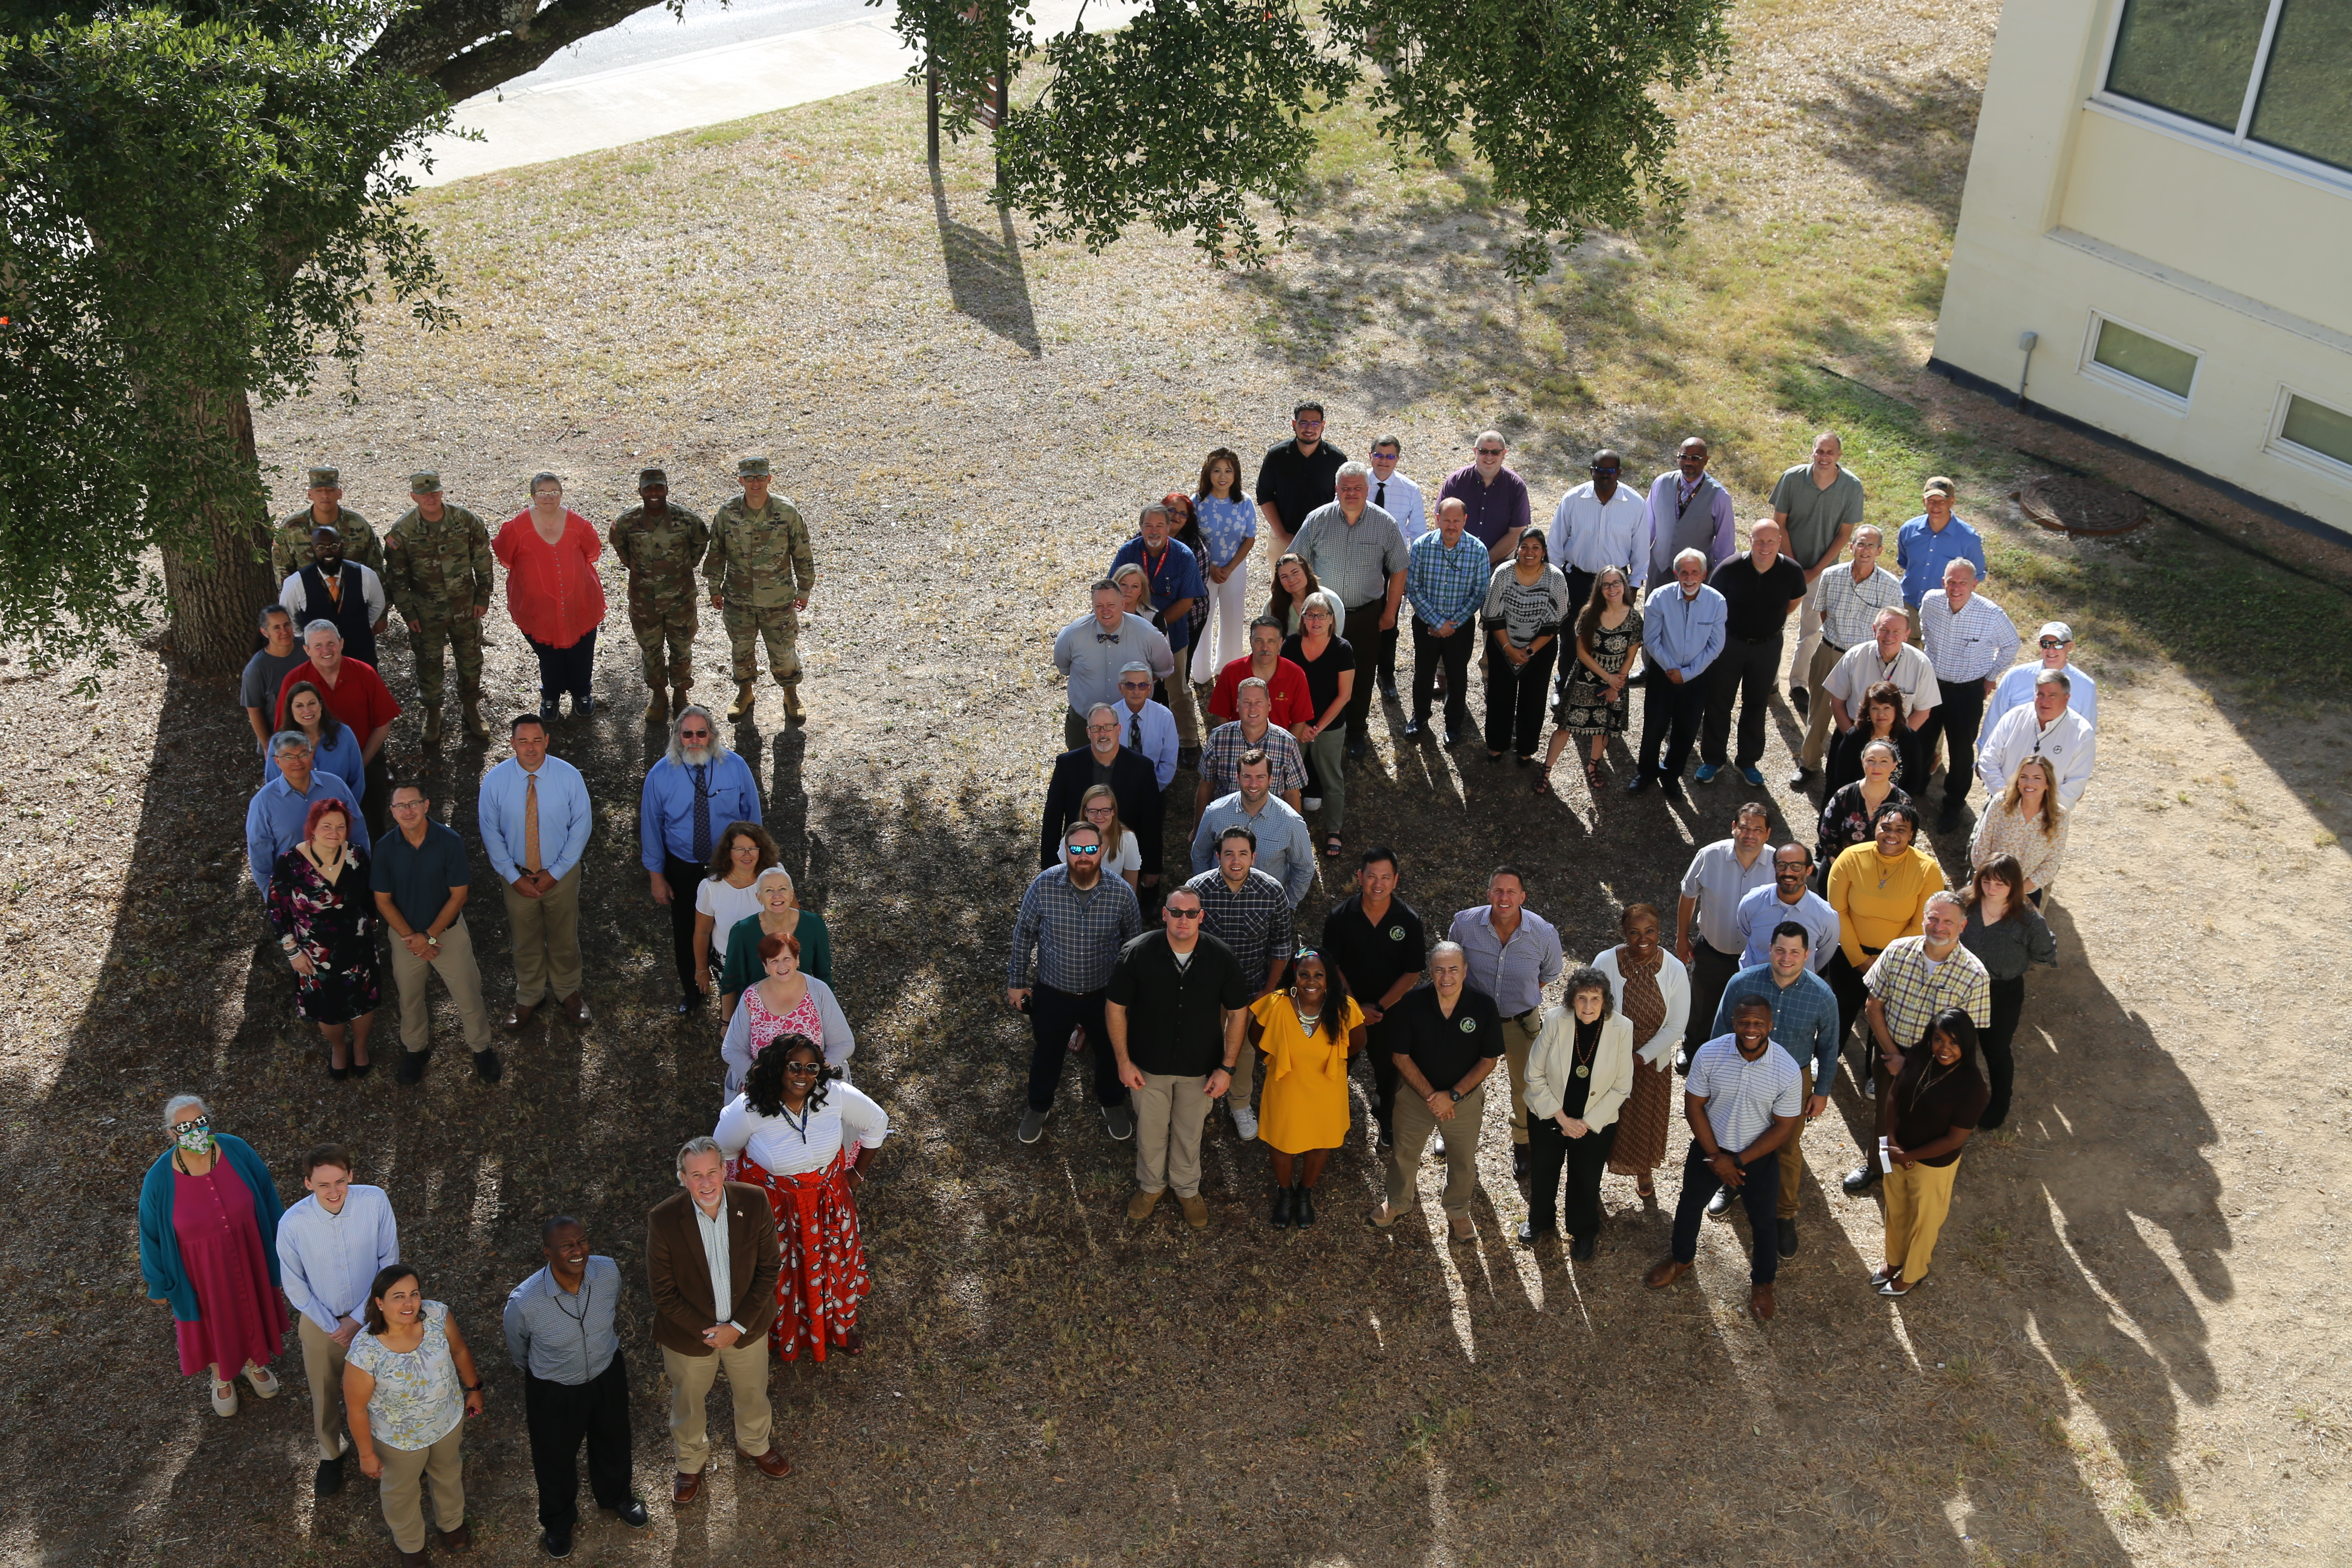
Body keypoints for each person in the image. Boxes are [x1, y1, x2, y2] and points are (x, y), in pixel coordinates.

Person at [715, 1036, 888, 1359]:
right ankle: (781, 1333)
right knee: (780, 1273)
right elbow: (724, 1152)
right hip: (776, 1210)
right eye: (795, 1066)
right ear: (777, 1066)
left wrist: (857, 1174)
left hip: (829, 1203)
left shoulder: (833, 1095)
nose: (803, 1075)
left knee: (833, 1267)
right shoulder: (750, 1108)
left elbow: (877, 1122)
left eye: (811, 1068)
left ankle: (840, 1327)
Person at [646, 1137, 787, 1505]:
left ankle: (755, 1444)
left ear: (725, 1171)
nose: (706, 1183)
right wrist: (709, 1332)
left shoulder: (754, 1202)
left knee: (753, 1391)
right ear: (682, 1178)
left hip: (748, 1328)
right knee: (688, 1401)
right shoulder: (663, 1219)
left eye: (712, 1172)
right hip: (690, 1338)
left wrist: (736, 1327)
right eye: (696, 1175)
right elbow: (663, 1292)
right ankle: (690, 1464)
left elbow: (770, 1268)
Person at [1643, 996, 1804, 1319]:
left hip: (1757, 1157)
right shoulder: (1710, 1053)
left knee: (1763, 1222)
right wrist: (1717, 1157)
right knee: (1689, 1206)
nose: (1751, 1029)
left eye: (1759, 1023)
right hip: (1709, 1150)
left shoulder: (1787, 1069)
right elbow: (1694, 1107)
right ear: (1734, 1023)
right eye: (1745, 1022)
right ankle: (1681, 1258)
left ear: (1771, 1026)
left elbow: (1784, 1128)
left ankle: (1763, 1283)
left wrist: (1739, 1162)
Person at [1106, 888, 1252, 1231]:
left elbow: (1238, 1013)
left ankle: (1187, 1190)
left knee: (1190, 1133)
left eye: (1191, 913)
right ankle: (1151, 1187)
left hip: (1199, 1068)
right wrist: (1124, 1062)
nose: (1183, 919)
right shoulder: (1137, 953)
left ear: (1202, 917)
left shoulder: (1221, 958)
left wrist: (1227, 1067)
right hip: (1147, 1065)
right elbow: (1115, 1009)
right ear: (1165, 915)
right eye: (1176, 912)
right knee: (1151, 1132)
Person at [504, 1217, 649, 1556]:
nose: (577, 1250)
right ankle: (558, 1522)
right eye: (567, 1245)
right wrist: (544, 1372)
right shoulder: (524, 1302)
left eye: (582, 1241)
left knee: (614, 1440)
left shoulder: (608, 1272)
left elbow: (611, 1309)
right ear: (547, 1252)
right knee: (553, 1457)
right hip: (553, 1389)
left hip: (606, 1373)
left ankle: (617, 1496)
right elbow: (518, 1347)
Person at [139, 1096, 287, 1418]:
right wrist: (157, 1283)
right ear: (171, 1134)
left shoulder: (236, 1149)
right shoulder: (158, 1178)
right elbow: (149, 1233)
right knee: (212, 1318)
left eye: (200, 1123)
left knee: (250, 1304)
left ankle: (253, 1362)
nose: (195, 1131)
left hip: (249, 1251)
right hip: (197, 1269)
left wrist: (286, 1244)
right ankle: (222, 1375)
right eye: (185, 1127)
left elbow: (267, 1195)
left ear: (208, 1121)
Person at [1842, 890, 1990, 1194]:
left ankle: (1913, 1173)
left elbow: (1966, 1038)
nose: (1939, 926)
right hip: (1889, 1051)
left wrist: (1911, 1067)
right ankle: (1879, 1168)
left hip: (1941, 1064)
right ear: (1923, 919)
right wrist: (1895, 1056)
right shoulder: (1897, 951)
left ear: (1962, 926)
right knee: (1886, 1117)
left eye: (1948, 921)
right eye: (1933, 918)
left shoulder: (1975, 975)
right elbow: (1873, 1006)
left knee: (1927, 1121)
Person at [1008, 822, 1145, 1144]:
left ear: (1102, 851)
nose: (1083, 857)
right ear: (1066, 851)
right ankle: (1039, 1107)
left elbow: (1134, 945)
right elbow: (1023, 935)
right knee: (1047, 1053)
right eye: (1076, 849)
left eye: (1091, 849)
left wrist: (1133, 993)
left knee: (1111, 1052)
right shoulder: (1044, 886)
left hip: (1105, 995)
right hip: (1053, 993)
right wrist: (1017, 982)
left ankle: (1112, 1103)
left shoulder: (1121, 892)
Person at [276, 1145, 400, 1497]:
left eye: (340, 1182)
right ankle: (331, 1454)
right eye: (323, 1185)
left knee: (384, 1384)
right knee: (325, 1392)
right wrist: (334, 1326)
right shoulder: (293, 1224)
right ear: (308, 1184)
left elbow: (388, 1261)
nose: (333, 1192)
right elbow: (295, 1286)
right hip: (321, 1322)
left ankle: (389, 1448)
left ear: (351, 1177)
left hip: (375, 1314)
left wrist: (359, 1319)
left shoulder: (374, 1202)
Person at [1712, 924, 1841, 1254]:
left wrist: (1822, 1090)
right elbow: (1719, 1033)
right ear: (1770, 949)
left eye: (1795, 952)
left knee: (1786, 1148)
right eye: (1781, 950)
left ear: (1807, 955)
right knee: (1736, 1135)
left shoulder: (1822, 995)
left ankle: (1784, 1215)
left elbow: (1828, 1046)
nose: (1787, 958)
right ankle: (1732, 1187)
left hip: (1793, 1080)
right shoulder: (1742, 983)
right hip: (1743, 1071)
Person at [344, 1264, 486, 1560]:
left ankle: (451, 1524)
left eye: (414, 1294)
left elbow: (459, 1350)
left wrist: (474, 1388)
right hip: (399, 1440)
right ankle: (411, 1545)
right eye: (398, 1297)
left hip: (447, 1421)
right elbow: (356, 1409)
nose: (409, 1304)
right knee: (401, 1491)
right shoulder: (365, 1351)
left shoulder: (436, 1315)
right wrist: (367, 1455)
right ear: (379, 1303)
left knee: (448, 1472)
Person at [1369, 942, 1501, 1241]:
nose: (1447, 976)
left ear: (1465, 971)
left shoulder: (1483, 1006)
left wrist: (1453, 1096)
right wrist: (1434, 1097)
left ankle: (1458, 1210)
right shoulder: (1411, 1004)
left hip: (1464, 1101)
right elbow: (1400, 1057)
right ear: (1431, 972)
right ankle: (1397, 1203)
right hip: (1416, 1099)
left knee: (1463, 1159)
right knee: (1404, 1153)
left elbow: (1489, 1059)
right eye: (1440, 969)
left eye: (1454, 969)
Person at [372, 780, 498, 1085]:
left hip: (448, 934)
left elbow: (459, 895)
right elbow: (382, 900)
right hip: (405, 938)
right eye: (400, 806)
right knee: (410, 998)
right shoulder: (385, 848)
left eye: (414, 803)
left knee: (468, 994)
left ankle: (482, 1049)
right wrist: (413, 940)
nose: (408, 810)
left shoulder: (449, 841)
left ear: (426, 805)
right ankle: (417, 1050)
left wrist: (429, 936)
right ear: (392, 811)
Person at [642, 706, 766, 1013]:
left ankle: (744, 991)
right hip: (683, 866)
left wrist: (755, 864)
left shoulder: (736, 767)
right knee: (687, 932)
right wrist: (657, 877)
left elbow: (753, 818)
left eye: (701, 733)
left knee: (735, 927)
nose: (694, 740)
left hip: (729, 865)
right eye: (687, 734)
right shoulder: (659, 775)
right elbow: (651, 827)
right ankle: (693, 992)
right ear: (677, 736)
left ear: (712, 735)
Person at [479, 713, 594, 1031]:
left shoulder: (568, 777)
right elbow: (490, 832)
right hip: (515, 876)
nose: (530, 748)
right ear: (513, 743)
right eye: (523, 741)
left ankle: (568, 991)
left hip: (561, 874)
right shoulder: (496, 781)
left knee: (564, 936)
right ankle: (529, 995)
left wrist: (555, 873)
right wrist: (513, 877)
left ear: (547, 741)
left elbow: (581, 827)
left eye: (536, 740)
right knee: (524, 939)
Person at [1824, 802, 1946, 1096]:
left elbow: (1924, 921)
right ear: (1874, 828)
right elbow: (1836, 911)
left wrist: (1886, 960)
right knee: (1840, 1009)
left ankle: (1875, 1073)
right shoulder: (1850, 857)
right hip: (1850, 954)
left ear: (1912, 834)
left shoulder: (1927, 869)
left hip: (1900, 960)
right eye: (1886, 827)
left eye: (1901, 830)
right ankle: (1826, 1061)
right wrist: (1860, 959)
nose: (1892, 835)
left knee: (1887, 1019)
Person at [1449, 867, 1563, 1179]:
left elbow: (1551, 973)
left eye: (1511, 892)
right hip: (1473, 1020)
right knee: (1459, 1074)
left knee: (1526, 1086)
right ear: (1488, 895)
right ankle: (1450, 1130)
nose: (1504, 897)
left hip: (1520, 1022)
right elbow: (1453, 965)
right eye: (1498, 891)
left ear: (1522, 897)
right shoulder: (1464, 925)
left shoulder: (1542, 933)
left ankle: (1523, 1144)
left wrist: (1524, 994)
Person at [1291, 461, 1408, 756]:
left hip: (1366, 614)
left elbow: (1399, 570)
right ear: (1336, 490)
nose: (1352, 493)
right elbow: (1295, 563)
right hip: (1322, 615)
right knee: (1318, 671)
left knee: (1363, 672)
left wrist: (1390, 613)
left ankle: (1357, 729)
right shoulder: (1317, 520)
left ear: (1368, 490)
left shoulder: (1385, 524)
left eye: (1358, 488)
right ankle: (1315, 726)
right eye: (1346, 488)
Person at [1186, 826, 1295, 1140]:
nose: (1236, 861)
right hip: (1204, 992)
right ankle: (1203, 1099)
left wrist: (1267, 991)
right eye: (1229, 854)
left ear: (1254, 857)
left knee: (1244, 1051)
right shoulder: (1198, 891)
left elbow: (1281, 947)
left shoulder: (1272, 891)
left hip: (1250, 991)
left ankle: (1240, 1103)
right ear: (1218, 856)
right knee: (1203, 1044)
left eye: (1243, 854)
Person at [1519, 966, 1635, 1258]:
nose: (1588, 1006)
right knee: (1544, 1170)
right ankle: (1539, 1221)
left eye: (1595, 999)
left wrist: (1585, 1124)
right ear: (1572, 1000)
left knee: (1586, 1177)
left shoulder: (1622, 1028)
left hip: (1595, 1122)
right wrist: (1562, 1118)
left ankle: (1583, 1231)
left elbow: (1622, 1087)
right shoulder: (1556, 1020)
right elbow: (1534, 1074)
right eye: (1582, 998)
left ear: (1605, 1001)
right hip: (1549, 1115)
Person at [267, 797, 384, 1080]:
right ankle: (338, 1048)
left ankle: (360, 1046)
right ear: (313, 828)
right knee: (327, 1008)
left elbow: (370, 897)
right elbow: (276, 909)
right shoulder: (290, 862)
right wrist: (293, 953)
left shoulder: (356, 855)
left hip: (358, 948)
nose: (334, 832)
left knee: (363, 1002)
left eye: (341, 826)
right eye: (327, 826)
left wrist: (375, 921)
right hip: (314, 954)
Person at [1874, 1007, 1989, 1296]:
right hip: (1896, 1148)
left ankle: (1912, 1274)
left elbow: (1954, 1140)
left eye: (1953, 1042)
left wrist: (1909, 1157)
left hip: (1933, 1164)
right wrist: (1892, 1140)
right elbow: (1894, 1096)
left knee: (1925, 1221)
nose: (1944, 1049)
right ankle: (1894, 1261)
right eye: (1939, 1040)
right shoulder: (1918, 1054)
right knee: (1896, 1209)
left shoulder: (1973, 1087)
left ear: (1967, 1044)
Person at [1319, 847, 1427, 1147]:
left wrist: (1378, 1008)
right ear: (1359, 877)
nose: (1377, 884)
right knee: (1338, 1069)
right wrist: (1355, 1009)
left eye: (1385, 877)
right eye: (1371, 876)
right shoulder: (1340, 918)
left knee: (1388, 1074)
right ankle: (1331, 1121)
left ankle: (1386, 1121)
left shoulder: (1408, 921)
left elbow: (1411, 974)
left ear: (1396, 880)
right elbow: (1332, 967)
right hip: (1344, 1011)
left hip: (1389, 1014)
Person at [1246, 951, 1363, 1226]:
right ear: (1294, 976)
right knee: (1282, 1143)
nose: (1311, 981)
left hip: (1327, 1089)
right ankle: (1285, 1194)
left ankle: (1305, 1194)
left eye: (1319, 975)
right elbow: (1256, 1037)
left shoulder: (1344, 1008)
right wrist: (1273, 1062)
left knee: (1320, 1143)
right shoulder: (1276, 1004)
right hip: (1286, 1087)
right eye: (1304, 974)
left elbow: (1357, 1043)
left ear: (1328, 978)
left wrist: (1336, 1064)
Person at [382, 471, 496, 747]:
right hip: (425, 613)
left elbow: (482, 559)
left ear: (442, 493)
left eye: (434, 492)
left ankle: (471, 707)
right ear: (414, 497)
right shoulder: (403, 532)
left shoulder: (466, 521)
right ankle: (433, 713)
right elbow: (397, 578)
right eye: (423, 494)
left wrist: (483, 597)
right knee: (429, 663)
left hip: (465, 607)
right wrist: (408, 613)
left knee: (470, 659)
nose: (430, 497)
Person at [706, 455, 817, 725]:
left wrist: (804, 589)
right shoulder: (728, 512)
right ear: (741, 480)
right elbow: (717, 550)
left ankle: (791, 694)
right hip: (738, 598)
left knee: (783, 651)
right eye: (749, 478)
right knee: (741, 650)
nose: (755, 483)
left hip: (777, 598)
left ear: (769, 478)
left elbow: (802, 551)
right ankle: (745, 693)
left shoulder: (787, 511)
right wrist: (714, 587)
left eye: (760, 477)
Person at [1793, 524, 1906, 786]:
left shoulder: (1890, 585)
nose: (1865, 550)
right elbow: (1822, 613)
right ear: (1851, 546)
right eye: (1860, 543)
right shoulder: (1831, 575)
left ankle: (1858, 768)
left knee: (1862, 715)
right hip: (1830, 651)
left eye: (1871, 545)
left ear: (1880, 551)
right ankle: (1808, 764)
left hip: (1867, 660)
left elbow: (1892, 626)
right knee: (1818, 711)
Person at [1698, 521, 1806, 786]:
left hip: (1767, 647)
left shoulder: (1791, 571)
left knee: (1756, 705)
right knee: (1718, 702)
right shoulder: (1730, 567)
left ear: (1780, 542)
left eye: (1771, 541)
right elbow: (1712, 602)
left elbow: (1792, 603)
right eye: (1760, 541)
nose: (1765, 547)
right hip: (1730, 644)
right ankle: (1713, 759)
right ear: (1750, 540)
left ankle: (1747, 762)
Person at [1593, 905, 1690, 1200]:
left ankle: (1643, 1169)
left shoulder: (1674, 968)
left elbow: (1676, 1025)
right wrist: (1615, 1055)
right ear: (1625, 934)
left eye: (1650, 932)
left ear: (1659, 931)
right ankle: (1592, 1175)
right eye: (1634, 933)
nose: (1643, 939)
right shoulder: (1605, 962)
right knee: (1604, 1118)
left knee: (1644, 1120)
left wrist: (1639, 1057)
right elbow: (1591, 1007)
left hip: (1652, 1060)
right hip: (1608, 1055)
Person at [1917, 559, 2021, 830]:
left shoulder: (1991, 615)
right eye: (1951, 581)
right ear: (1943, 582)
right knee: (1922, 740)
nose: (1956, 587)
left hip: (1967, 691)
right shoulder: (1931, 601)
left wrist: (1991, 676)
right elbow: (1925, 630)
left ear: (1975, 585)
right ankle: (1915, 789)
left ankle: (1953, 804)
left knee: (1961, 752)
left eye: (1963, 582)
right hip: (1932, 685)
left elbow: (2011, 645)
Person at [495, 471, 608, 722]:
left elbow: (592, 551)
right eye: (543, 493)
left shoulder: (578, 524)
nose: (549, 498)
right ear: (533, 496)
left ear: (561, 495)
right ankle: (551, 697)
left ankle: (582, 693)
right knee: (550, 657)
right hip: (539, 609)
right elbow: (504, 554)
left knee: (582, 652)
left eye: (554, 492)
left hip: (580, 603)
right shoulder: (518, 527)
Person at [1958, 854, 2058, 1129]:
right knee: (1956, 1045)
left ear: (2014, 885)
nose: (1992, 889)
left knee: (1996, 1049)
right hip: (1962, 987)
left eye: (2000, 884)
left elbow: (2045, 953)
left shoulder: (2028, 919)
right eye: (1987, 881)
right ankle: (1958, 1097)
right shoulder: (1965, 902)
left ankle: (2000, 1102)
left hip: (2003, 993)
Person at [1769, 432, 1865, 717]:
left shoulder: (1851, 487)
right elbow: (1779, 524)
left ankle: (1798, 683)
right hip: (1786, 565)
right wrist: (1795, 566)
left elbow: (1845, 535)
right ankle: (1770, 681)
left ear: (1839, 456)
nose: (1824, 457)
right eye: (1819, 451)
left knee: (1812, 631)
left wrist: (1816, 570)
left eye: (1830, 452)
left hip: (1824, 572)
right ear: (1812, 452)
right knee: (1775, 623)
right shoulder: (1792, 478)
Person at [1674, 803, 1776, 1069]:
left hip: (1756, 959)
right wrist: (1682, 938)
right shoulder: (1710, 855)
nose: (1750, 834)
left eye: (1757, 829)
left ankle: (1737, 1057)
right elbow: (1688, 896)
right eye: (1744, 827)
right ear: (1734, 828)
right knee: (1702, 1003)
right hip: (1712, 950)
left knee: (1749, 1009)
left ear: (1768, 834)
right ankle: (1692, 1047)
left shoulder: (1779, 864)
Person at [275, 620, 401, 833]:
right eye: (318, 646)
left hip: (365, 759)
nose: (326, 650)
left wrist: (359, 765)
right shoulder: (294, 680)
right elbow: (284, 732)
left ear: (341, 644)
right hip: (311, 769)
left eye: (331, 643)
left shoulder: (365, 673)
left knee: (371, 827)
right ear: (306, 650)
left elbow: (382, 725)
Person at [608, 466, 711, 724]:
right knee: (651, 650)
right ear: (640, 491)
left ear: (666, 489)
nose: (654, 493)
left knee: (682, 648)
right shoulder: (626, 522)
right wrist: (638, 568)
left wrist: (685, 567)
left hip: (681, 599)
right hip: (645, 601)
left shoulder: (686, 520)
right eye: (648, 488)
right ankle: (658, 695)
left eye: (659, 487)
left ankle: (680, 694)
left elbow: (700, 544)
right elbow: (620, 546)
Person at [1111, 501, 1208, 752]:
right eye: (1148, 526)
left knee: (1178, 691)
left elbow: (1188, 600)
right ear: (1141, 527)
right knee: (1129, 687)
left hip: (1172, 633)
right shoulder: (1128, 553)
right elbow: (1112, 590)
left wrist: (1156, 625)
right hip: (1128, 635)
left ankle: (1188, 744)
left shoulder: (1183, 555)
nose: (1154, 531)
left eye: (1160, 526)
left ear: (1169, 527)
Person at [1629, 548, 1726, 796]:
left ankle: (1672, 775)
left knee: (1686, 730)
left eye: (1695, 572)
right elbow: (1651, 639)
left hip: (1697, 677)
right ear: (1676, 574)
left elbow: (1716, 646)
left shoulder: (1717, 602)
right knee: (1655, 727)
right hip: (1663, 674)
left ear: (1704, 574)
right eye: (1684, 572)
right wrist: (1672, 669)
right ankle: (1647, 772)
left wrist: (1689, 673)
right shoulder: (1659, 598)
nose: (1690, 577)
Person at [1541, 564, 1642, 793]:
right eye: (1606, 584)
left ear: (1624, 586)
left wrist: (1618, 683)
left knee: (1603, 728)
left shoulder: (1635, 618)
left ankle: (1593, 766)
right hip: (1585, 678)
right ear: (1599, 589)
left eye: (1617, 582)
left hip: (1617, 681)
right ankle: (1546, 771)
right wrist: (1608, 678)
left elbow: (1631, 655)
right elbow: (1581, 653)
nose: (1612, 588)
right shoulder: (1589, 613)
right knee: (1565, 727)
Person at [1041, 703, 1165, 889]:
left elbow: (1152, 821)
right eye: (1096, 728)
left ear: (1119, 729)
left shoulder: (1142, 768)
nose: (1103, 733)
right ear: (1088, 732)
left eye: (1108, 727)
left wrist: (1152, 866)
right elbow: (1053, 817)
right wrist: (1049, 866)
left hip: (1123, 861)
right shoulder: (1067, 765)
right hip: (1076, 858)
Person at [720, 931, 854, 1094]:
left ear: (797, 960)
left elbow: (843, 1044)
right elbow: (732, 1049)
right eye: (774, 961)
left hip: (815, 1088)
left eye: (787, 959)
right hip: (765, 1093)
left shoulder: (819, 991)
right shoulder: (751, 997)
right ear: (765, 966)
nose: (782, 966)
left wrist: (814, 1076)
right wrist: (758, 1081)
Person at [1480, 528, 1572, 765]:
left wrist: (1530, 650)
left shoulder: (1555, 577)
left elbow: (1556, 621)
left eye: (1536, 548)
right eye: (1525, 547)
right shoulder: (1503, 573)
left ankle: (1526, 750)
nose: (1529, 552)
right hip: (1502, 646)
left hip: (1541, 649)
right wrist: (1510, 648)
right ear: (1518, 549)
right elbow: (1493, 614)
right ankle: (1496, 746)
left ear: (1543, 552)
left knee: (1533, 700)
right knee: (1500, 697)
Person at [1055, 579, 1174, 751]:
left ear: (1123, 603)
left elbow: (1163, 670)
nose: (1106, 611)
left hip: (1133, 724)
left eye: (1111, 604)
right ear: (1093, 606)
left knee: (1132, 775)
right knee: (1080, 775)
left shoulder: (1149, 635)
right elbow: (1064, 668)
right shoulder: (1071, 635)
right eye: (1099, 606)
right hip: (1084, 724)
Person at [1403, 498, 1486, 744]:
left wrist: (1453, 624)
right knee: (1424, 672)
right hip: (1426, 624)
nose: (1452, 525)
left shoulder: (1478, 550)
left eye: (1457, 520)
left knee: (1458, 675)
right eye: (1446, 520)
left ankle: (1453, 724)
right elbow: (1414, 588)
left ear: (1465, 521)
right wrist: (1437, 622)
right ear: (1437, 519)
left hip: (1460, 627)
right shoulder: (1421, 546)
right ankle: (1420, 717)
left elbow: (1479, 593)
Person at [246, 732, 369, 896]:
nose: (297, 762)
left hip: (343, 883)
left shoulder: (335, 785)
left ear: (312, 755)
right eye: (289, 757)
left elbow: (358, 830)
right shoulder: (264, 801)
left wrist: (364, 873)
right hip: (294, 891)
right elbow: (259, 852)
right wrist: (272, 894)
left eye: (303, 754)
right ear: (277, 761)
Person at [1190, 750, 1317, 905]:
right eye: (1247, 777)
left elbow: (1304, 869)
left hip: (1267, 905)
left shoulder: (1291, 822)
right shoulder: (1215, 813)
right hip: (1219, 902)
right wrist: (1206, 894)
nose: (1253, 784)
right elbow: (1200, 854)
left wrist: (1288, 905)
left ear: (1271, 779)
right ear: (1238, 778)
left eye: (1260, 778)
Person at [1281, 596, 1356, 853]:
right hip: (1294, 725)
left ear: (1331, 619)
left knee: (1331, 777)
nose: (1316, 620)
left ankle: (1334, 829)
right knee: (1286, 776)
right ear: (1302, 619)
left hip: (1328, 727)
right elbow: (1283, 686)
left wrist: (1316, 728)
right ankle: (1287, 827)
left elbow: (1344, 695)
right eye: (1310, 615)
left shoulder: (1342, 649)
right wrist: (1299, 726)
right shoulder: (1290, 645)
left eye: (1321, 615)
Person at [1822, 607, 1941, 761]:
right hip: (1854, 735)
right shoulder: (1855, 656)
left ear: (1907, 635)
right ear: (1874, 630)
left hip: (1898, 742)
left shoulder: (1921, 664)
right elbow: (1837, 703)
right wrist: (1853, 738)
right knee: (1840, 784)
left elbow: (1923, 712)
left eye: (1897, 631)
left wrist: (1892, 745)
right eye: (1884, 630)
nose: (1889, 636)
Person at [1975, 668, 2098, 812]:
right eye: (2041, 694)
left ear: (2067, 699)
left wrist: (2036, 811)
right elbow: (1989, 759)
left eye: (2052, 696)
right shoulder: (2014, 717)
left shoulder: (2082, 733)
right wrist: (2006, 797)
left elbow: (2075, 784)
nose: (2045, 701)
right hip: (2002, 806)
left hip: (2047, 816)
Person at [1188, 447, 1261, 683]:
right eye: (1217, 470)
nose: (1222, 476)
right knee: (1203, 619)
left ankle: (1228, 670)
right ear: (1208, 473)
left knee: (1233, 619)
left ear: (1235, 474)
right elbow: (1190, 538)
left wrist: (1229, 568)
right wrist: (1211, 568)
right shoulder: (1197, 502)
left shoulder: (1245, 502)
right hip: (1203, 570)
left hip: (1235, 569)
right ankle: (1200, 673)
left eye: (1228, 471)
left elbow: (1250, 537)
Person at [720, 867, 834, 1015]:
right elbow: (730, 982)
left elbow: (824, 976)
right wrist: (727, 1023)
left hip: (805, 1014)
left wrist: (827, 1017)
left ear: (792, 894)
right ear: (758, 897)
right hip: (756, 1016)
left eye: (782, 889)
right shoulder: (742, 932)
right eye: (769, 891)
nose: (777, 896)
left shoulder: (814, 925)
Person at [276, 524, 387, 675]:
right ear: (313, 550)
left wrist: (360, 626)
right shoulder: (296, 584)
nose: (328, 552)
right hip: (320, 661)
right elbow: (290, 618)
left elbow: (378, 605)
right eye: (321, 547)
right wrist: (308, 638)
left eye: (334, 546)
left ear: (342, 547)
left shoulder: (366, 576)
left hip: (361, 655)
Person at [1365, 436, 1429, 696]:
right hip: (1360, 562)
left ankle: (1387, 676)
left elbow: (1418, 535)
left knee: (1388, 622)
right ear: (1370, 455)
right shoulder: (1357, 482)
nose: (1384, 461)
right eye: (1379, 455)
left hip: (1391, 565)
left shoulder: (1410, 489)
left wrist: (1407, 575)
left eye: (1390, 456)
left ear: (1398, 459)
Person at [692, 822, 782, 1006]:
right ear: (728, 852)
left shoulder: (776, 875)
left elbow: (794, 916)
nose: (747, 855)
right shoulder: (711, 887)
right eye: (740, 849)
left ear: (761, 850)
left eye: (752, 848)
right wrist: (701, 970)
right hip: (730, 964)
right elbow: (702, 932)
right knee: (738, 1013)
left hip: (774, 960)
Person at [1195, 677, 1309, 821]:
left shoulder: (1287, 743)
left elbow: (1292, 794)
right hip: (1226, 823)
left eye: (1259, 703)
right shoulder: (1219, 738)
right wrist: (1199, 829)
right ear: (1237, 706)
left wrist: (1294, 834)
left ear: (1269, 705)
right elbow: (1207, 786)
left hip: (1271, 824)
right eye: (1247, 702)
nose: (1253, 708)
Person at [1547, 449, 1647, 610]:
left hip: (1616, 585)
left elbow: (1641, 552)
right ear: (1592, 471)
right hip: (1576, 581)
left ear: (1619, 472)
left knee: (1611, 635)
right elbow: (1555, 544)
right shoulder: (1573, 499)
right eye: (1600, 470)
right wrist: (1557, 582)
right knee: (1572, 634)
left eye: (1611, 471)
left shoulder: (1635, 503)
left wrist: (1633, 588)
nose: (1605, 475)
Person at [1893, 477, 1989, 635]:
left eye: (1942, 501)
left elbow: (1976, 577)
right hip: (1908, 607)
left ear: (1952, 502)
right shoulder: (1908, 530)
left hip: (1944, 613)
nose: (1936, 506)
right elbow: (1905, 562)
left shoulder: (1969, 539)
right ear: (1924, 501)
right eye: (1931, 500)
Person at [1969, 753, 2069, 900]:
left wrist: (2016, 892)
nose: (2029, 783)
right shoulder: (2000, 803)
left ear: (2048, 784)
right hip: (1989, 888)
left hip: (2027, 894)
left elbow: (2052, 862)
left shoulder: (2060, 816)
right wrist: (1994, 886)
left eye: (2037, 778)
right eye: (2024, 777)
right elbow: (1982, 845)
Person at [1643, 437, 1737, 592]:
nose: (1689, 462)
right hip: (1659, 570)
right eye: (1684, 457)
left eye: (1695, 458)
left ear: (1706, 460)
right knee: (1654, 615)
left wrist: (1720, 582)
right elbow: (1647, 530)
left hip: (1695, 577)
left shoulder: (1719, 496)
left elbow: (1725, 546)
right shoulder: (1661, 483)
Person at [1255, 401, 1348, 555]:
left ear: (1323, 425)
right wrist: (1283, 535)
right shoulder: (1277, 456)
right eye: (1303, 423)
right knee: (1280, 580)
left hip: (1323, 540)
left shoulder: (1337, 459)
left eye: (1315, 423)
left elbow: (1345, 497)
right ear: (1294, 424)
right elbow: (1264, 495)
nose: (1309, 428)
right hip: (1282, 539)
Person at [1735, 843, 1839, 971]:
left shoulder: (1826, 916)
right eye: (1782, 865)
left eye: (1796, 866)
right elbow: (1747, 932)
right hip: (1752, 986)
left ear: (1809, 870)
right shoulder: (1752, 902)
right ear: (1775, 868)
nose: (1788, 872)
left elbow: (1823, 957)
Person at [1818, 741, 1915, 878]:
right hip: (1840, 872)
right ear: (1863, 762)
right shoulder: (1844, 796)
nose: (1877, 767)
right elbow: (1827, 837)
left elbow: (1908, 842)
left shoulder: (1903, 802)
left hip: (1884, 877)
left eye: (1884, 761)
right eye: (1871, 760)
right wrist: (1846, 873)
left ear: (1894, 765)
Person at [272, 463, 384, 579]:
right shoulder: (291, 528)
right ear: (310, 495)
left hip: (353, 593)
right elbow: (282, 571)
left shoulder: (358, 525)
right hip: (307, 594)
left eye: (330, 490)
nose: (325, 495)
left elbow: (376, 566)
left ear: (340, 494)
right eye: (319, 491)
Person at [1437, 429, 1532, 564]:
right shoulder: (1456, 482)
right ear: (1475, 451)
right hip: (1455, 562)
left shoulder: (1516, 487)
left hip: (1497, 566)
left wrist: (1484, 562)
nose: (1489, 457)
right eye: (1483, 451)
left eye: (1495, 452)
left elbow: (1517, 533)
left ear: (1504, 454)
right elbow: (1440, 521)